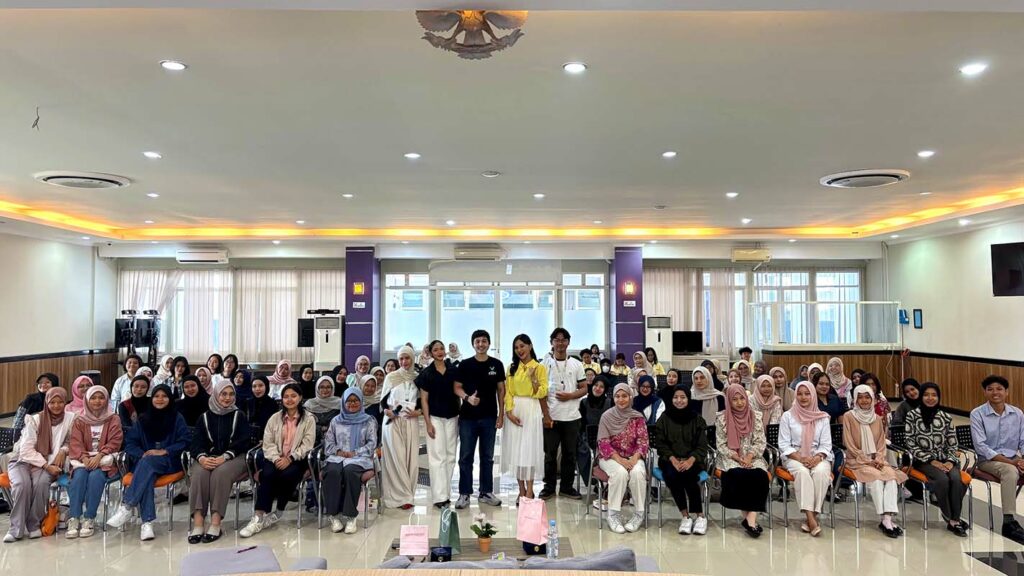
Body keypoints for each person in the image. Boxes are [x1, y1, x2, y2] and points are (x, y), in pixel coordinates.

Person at [107, 384, 189, 541]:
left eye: (164, 396)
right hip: (144, 463)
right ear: (152, 399)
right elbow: (130, 443)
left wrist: (165, 451)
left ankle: (127, 505)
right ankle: (147, 524)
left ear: (170, 399)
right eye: (156, 396)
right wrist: (142, 454)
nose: (160, 399)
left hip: (169, 462)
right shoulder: (143, 419)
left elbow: (185, 441)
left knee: (147, 466)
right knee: (147, 474)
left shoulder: (176, 418)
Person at [240, 383, 315, 538]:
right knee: (267, 475)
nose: (289, 399)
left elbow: (307, 444)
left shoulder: (308, 419)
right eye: (286, 396)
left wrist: (290, 458)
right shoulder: (274, 418)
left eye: (293, 396)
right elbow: (268, 443)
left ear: (300, 398)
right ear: (282, 399)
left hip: (297, 459)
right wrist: (276, 459)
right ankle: (258, 516)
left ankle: (279, 510)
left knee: (288, 475)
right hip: (274, 457)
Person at [4, 388, 75, 543]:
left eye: (60, 402)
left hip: (50, 462)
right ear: (46, 403)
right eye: (52, 402)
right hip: (23, 461)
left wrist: (63, 450)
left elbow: (72, 441)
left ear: (65, 402)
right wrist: (46, 466)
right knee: (22, 485)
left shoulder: (71, 418)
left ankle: (33, 524)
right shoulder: (35, 419)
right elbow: (26, 450)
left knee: (41, 483)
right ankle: (15, 529)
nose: (56, 405)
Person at [187, 380, 250, 543]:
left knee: (220, 473)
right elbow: (196, 443)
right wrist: (202, 458)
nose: (227, 398)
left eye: (231, 394)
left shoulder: (239, 415)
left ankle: (215, 523)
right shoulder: (204, 417)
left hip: (235, 457)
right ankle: (198, 523)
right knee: (199, 474)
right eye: (223, 394)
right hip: (207, 458)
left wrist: (225, 457)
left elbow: (244, 441)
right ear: (216, 395)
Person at [841, 385, 906, 538]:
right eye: (860, 397)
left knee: (891, 477)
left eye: (867, 397)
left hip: (877, 460)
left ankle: (887, 519)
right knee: (877, 479)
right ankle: (885, 519)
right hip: (857, 460)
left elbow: (881, 443)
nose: (864, 400)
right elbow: (849, 444)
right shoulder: (849, 416)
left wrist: (878, 458)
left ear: (872, 399)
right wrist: (867, 460)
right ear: (855, 399)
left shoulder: (877, 418)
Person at [905, 382, 968, 537]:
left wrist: (950, 461)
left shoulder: (945, 417)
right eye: (926, 395)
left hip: (946, 460)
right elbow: (910, 443)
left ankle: (954, 518)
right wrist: (932, 461)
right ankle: (951, 518)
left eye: (934, 395)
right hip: (923, 461)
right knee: (942, 480)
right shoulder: (912, 415)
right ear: (921, 396)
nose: (930, 398)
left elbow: (953, 443)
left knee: (956, 478)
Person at [453, 330, 506, 509]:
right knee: (465, 457)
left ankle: (486, 492)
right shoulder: (465, 365)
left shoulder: (496, 364)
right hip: (468, 418)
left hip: (489, 417)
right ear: (473, 344)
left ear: (489, 343)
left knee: (487, 457)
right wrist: (468, 398)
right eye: (477, 341)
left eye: (484, 341)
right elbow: (457, 387)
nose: (481, 344)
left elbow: (501, 390)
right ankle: (464, 493)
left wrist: (501, 414)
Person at [969, 375, 1024, 542]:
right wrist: (1011, 462)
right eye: (990, 389)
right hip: (988, 461)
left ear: (1006, 392)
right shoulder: (977, 414)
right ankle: (1008, 522)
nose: (995, 392)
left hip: (1013, 457)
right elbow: (981, 447)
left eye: (999, 389)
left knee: (1013, 468)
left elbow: (1023, 441)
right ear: (985, 392)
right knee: (1010, 471)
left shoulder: (1017, 413)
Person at [66, 385, 122, 539]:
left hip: (104, 461)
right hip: (82, 461)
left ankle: (89, 518)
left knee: (95, 477)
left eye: (101, 397)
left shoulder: (113, 418)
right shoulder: (80, 420)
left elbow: (115, 441)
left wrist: (99, 456)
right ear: (87, 400)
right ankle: (74, 517)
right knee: (79, 477)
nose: (97, 401)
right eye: (93, 398)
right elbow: (75, 442)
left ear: (106, 400)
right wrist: (85, 458)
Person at [653, 385, 709, 535]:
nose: (679, 400)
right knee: (673, 476)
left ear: (688, 398)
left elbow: (702, 446)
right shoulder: (664, 418)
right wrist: (673, 459)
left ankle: (700, 516)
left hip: (693, 460)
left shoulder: (697, 419)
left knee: (689, 476)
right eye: (675, 397)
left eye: (683, 397)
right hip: (669, 460)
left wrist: (690, 460)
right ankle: (685, 516)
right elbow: (661, 444)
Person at [778, 381, 833, 537]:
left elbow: (826, 444)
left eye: (807, 393)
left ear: (813, 395)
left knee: (821, 473)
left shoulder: (822, 417)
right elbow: (784, 444)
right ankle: (811, 518)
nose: (803, 397)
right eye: (800, 394)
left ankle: (812, 517)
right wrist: (800, 458)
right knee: (802, 473)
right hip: (794, 456)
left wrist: (817, 457)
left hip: (817, 456)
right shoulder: (788, 416)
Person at [716, 384, 771, 538]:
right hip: (731, 458)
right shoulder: (722, 418)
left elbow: (760, 441)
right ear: (729, 401)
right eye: (735, 399)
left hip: (753, 457)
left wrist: (749, 457)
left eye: (742, 398)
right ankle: (750, 522)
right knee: (738, 475)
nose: (739, 402)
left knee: (760, 476)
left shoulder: (756, 416)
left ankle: (750, 520)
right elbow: (721, 444)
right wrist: (738, 458)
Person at [540, 327, 587, 501]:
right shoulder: (544, 364)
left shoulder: (576, 364)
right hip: (551, 416)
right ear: (551, 342)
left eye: (563, 340)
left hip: (571, 417)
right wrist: (545, 415)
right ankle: (549, 487)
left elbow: (584, 388)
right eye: (557, 340)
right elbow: (540, 393)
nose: (560, 343)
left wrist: (570, 396)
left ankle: (567, 487)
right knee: (550, 454)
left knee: (570, 454)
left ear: (568, 342)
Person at [322, 388, 378, 534]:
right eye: (349, 401)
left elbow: (372, 443)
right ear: (343, 402)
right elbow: (328, 443)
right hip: (337, 457)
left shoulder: (369, 421)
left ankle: (350, 516)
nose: (352, 404)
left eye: (355, 400)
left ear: (361, 401)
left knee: (350, 472)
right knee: (332, 472)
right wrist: (339, 452)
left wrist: (355, 453)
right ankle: (333, 515)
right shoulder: (336, 421)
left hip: (360, 458)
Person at [597, 383, 649, 534]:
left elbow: (643, 441)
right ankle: (613, 515)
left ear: (630, 397)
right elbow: (603, 443)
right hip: (610, 457)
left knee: (638, 473)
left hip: (633, 456)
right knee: (620, 473)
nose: (621, 400)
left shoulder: (637, 417)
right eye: (617, 396)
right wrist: (620, 460)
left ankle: (639, 514)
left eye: (624, 396)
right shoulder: (606, 417)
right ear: (613, 398)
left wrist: (634, 459)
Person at [502, 334, 548, 503]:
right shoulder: (511, 368)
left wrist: (533, 378)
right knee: (516, 451)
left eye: (522, 346)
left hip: (532, 408)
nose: (519, 350)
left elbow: (542, 392)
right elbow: (508, 392)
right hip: (515, 409)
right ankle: (520, 490)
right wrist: (509, 412)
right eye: (516, 347)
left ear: (530, 346)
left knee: (529, 450)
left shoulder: (539, 367)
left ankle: (529, 490)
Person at [416, 340, 460, 508]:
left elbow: (458, 390)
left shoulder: (453, 370)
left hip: (452, 416)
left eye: (442, 348)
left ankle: (446, 493)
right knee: (437, 456)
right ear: (431, 353)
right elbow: (424, 400)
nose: (440, 351)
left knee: (450, 456)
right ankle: (439, 497)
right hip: (435, 417)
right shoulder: (426, 373)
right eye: (436, 349)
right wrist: (428, 423)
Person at [380, 346, 422, 510]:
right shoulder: (391, 377)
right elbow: (383, 403)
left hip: (410, 421)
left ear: (412, 358)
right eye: (401, 359)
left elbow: (422, 402)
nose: (404, 362)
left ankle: (408, 493)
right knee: (395, 458)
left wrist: (417, 412)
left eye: (407, 358)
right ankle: (400, 496)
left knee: (410, 458)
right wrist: (389, 412)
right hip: (393, 422)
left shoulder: (418, 377)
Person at [580, 373, 613, 498]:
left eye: (601, 387)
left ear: (605, 390)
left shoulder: (610, 403)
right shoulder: (584, 403)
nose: (597, 388)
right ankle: (593, 481)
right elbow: (581, 425)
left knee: (607, 454)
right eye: (596, 385)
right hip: (587, 437)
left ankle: (606, 482)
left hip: (606, 437)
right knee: (584, 452)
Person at [12, 373, 58, 442]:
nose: (43, 385)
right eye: (40, 382)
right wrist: (15, 439)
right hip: (28, 434)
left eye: (47, 382)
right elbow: (19, 419)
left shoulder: (58, 399)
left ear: (54, 384)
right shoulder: (30, 399)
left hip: (52, 436)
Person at [246, 375, 279, 441]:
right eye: (254, 386)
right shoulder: (247, 403)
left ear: (266, 386)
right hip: (248, 440)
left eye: (260, 385)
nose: (257, 389)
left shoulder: (273, 404)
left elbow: (275, 426)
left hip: (267, 440)